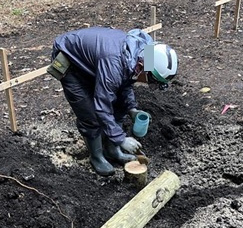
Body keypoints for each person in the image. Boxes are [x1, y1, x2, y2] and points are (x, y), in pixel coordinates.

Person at [48, 27, 178, 176]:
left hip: (96, 61)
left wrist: (132, 109)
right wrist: (121, 139)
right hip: (70, 60)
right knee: (90, 114)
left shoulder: (143, 53)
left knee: (119, 104)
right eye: (151, 81)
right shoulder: (114, 65)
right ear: (142, 67)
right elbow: (102, 107)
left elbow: (126, 81)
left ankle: (112, 150)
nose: (149, 84)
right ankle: (96, 157)